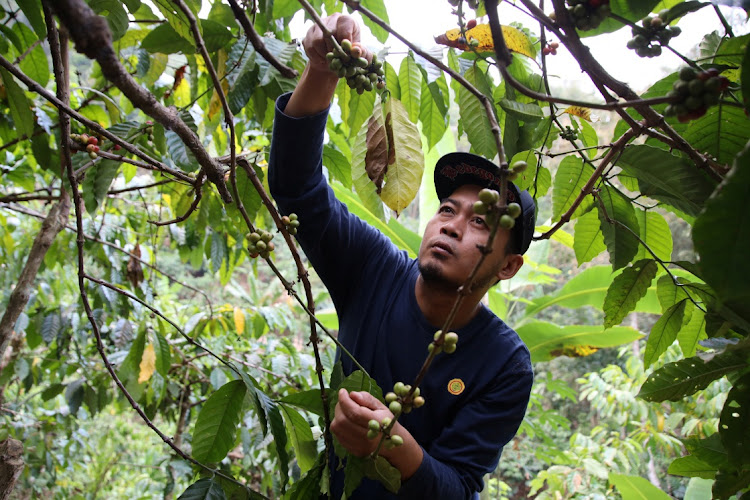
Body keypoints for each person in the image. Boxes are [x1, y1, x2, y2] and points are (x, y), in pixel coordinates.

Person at [268, 14, 534, 499]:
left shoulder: (504, 365)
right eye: (448, 209)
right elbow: (297, 191)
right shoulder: (374, 269)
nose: (452, 224)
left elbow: (458, 488)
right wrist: (321, 71)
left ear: (509, 266)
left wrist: (396, 448)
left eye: (480, 221)